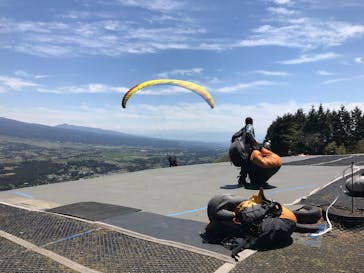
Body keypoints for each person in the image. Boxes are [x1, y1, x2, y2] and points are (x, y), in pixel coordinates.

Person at [231, 117, 259, 187]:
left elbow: (234, 135)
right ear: (251, 122)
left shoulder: (243, 128)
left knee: (245, 165)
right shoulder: (250, 126)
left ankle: (242, 180)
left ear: (245, 122)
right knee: (249, 165)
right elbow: (249, 133)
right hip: (248, 149)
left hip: (243, 149)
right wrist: (255, 142)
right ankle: (245, 180)